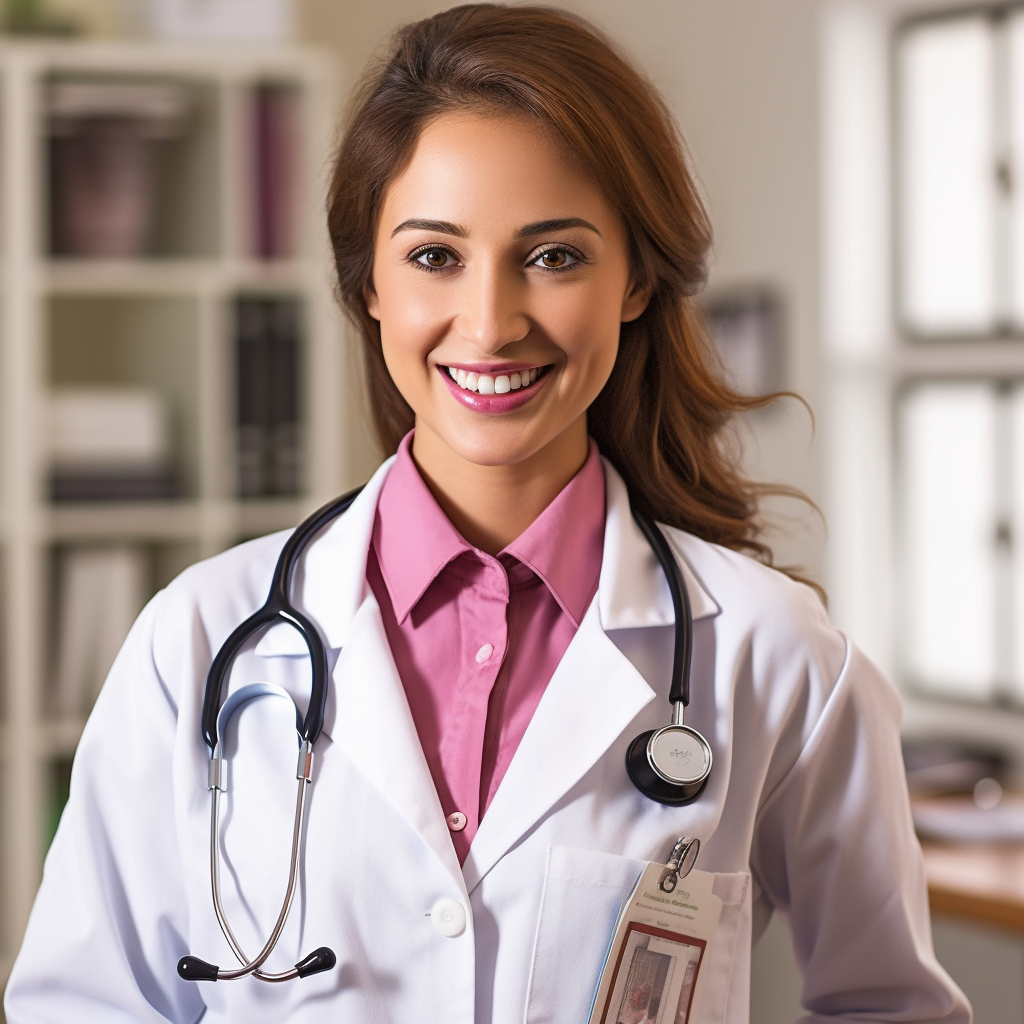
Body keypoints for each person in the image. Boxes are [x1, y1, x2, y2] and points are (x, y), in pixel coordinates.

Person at [5, 5, 970, 1023]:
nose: (492, 321)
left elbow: (890, 1006)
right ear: (366, 282)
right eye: (434, 256)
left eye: (553, 256)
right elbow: (85, 1005)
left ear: (636, 279)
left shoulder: (776, 660)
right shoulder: (198, 640)